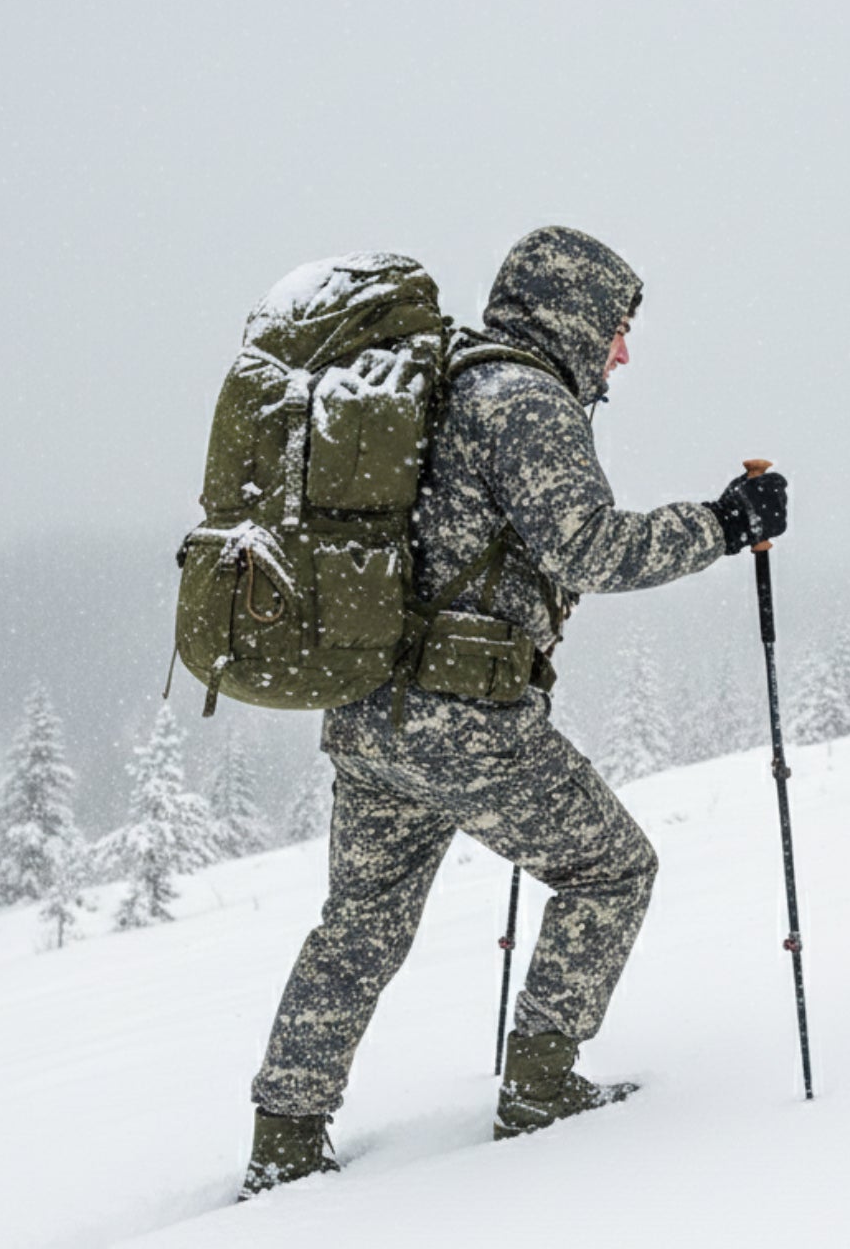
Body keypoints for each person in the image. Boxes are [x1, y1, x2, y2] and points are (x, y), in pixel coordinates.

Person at [241, 226, 787, 1196]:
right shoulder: (527, 399)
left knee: (358, 925)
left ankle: (283, 1140)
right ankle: (539, 1091)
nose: (623, 350)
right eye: (618, 327)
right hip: (464, 725)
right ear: (574, 311)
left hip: (372, 715)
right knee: (612, 870)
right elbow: (592, 551)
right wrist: (722, 524)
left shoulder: (453, 382)